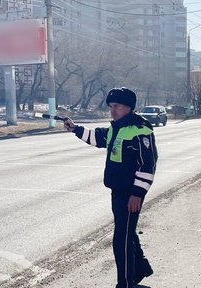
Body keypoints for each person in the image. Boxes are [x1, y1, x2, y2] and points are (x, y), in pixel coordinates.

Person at [63, 87, 157, 288]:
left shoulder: (141, 130)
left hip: (131, 193)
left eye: (116, 106)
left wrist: (137, 194)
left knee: (121, 238)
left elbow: (148, 165)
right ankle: (139, 270)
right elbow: (99, 137)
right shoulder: (117, 127)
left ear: (129, 107)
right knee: (127, 233)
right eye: (110, 106)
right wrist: (75, 128)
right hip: (117, 190)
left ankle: (125, 284)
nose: (112, 110)